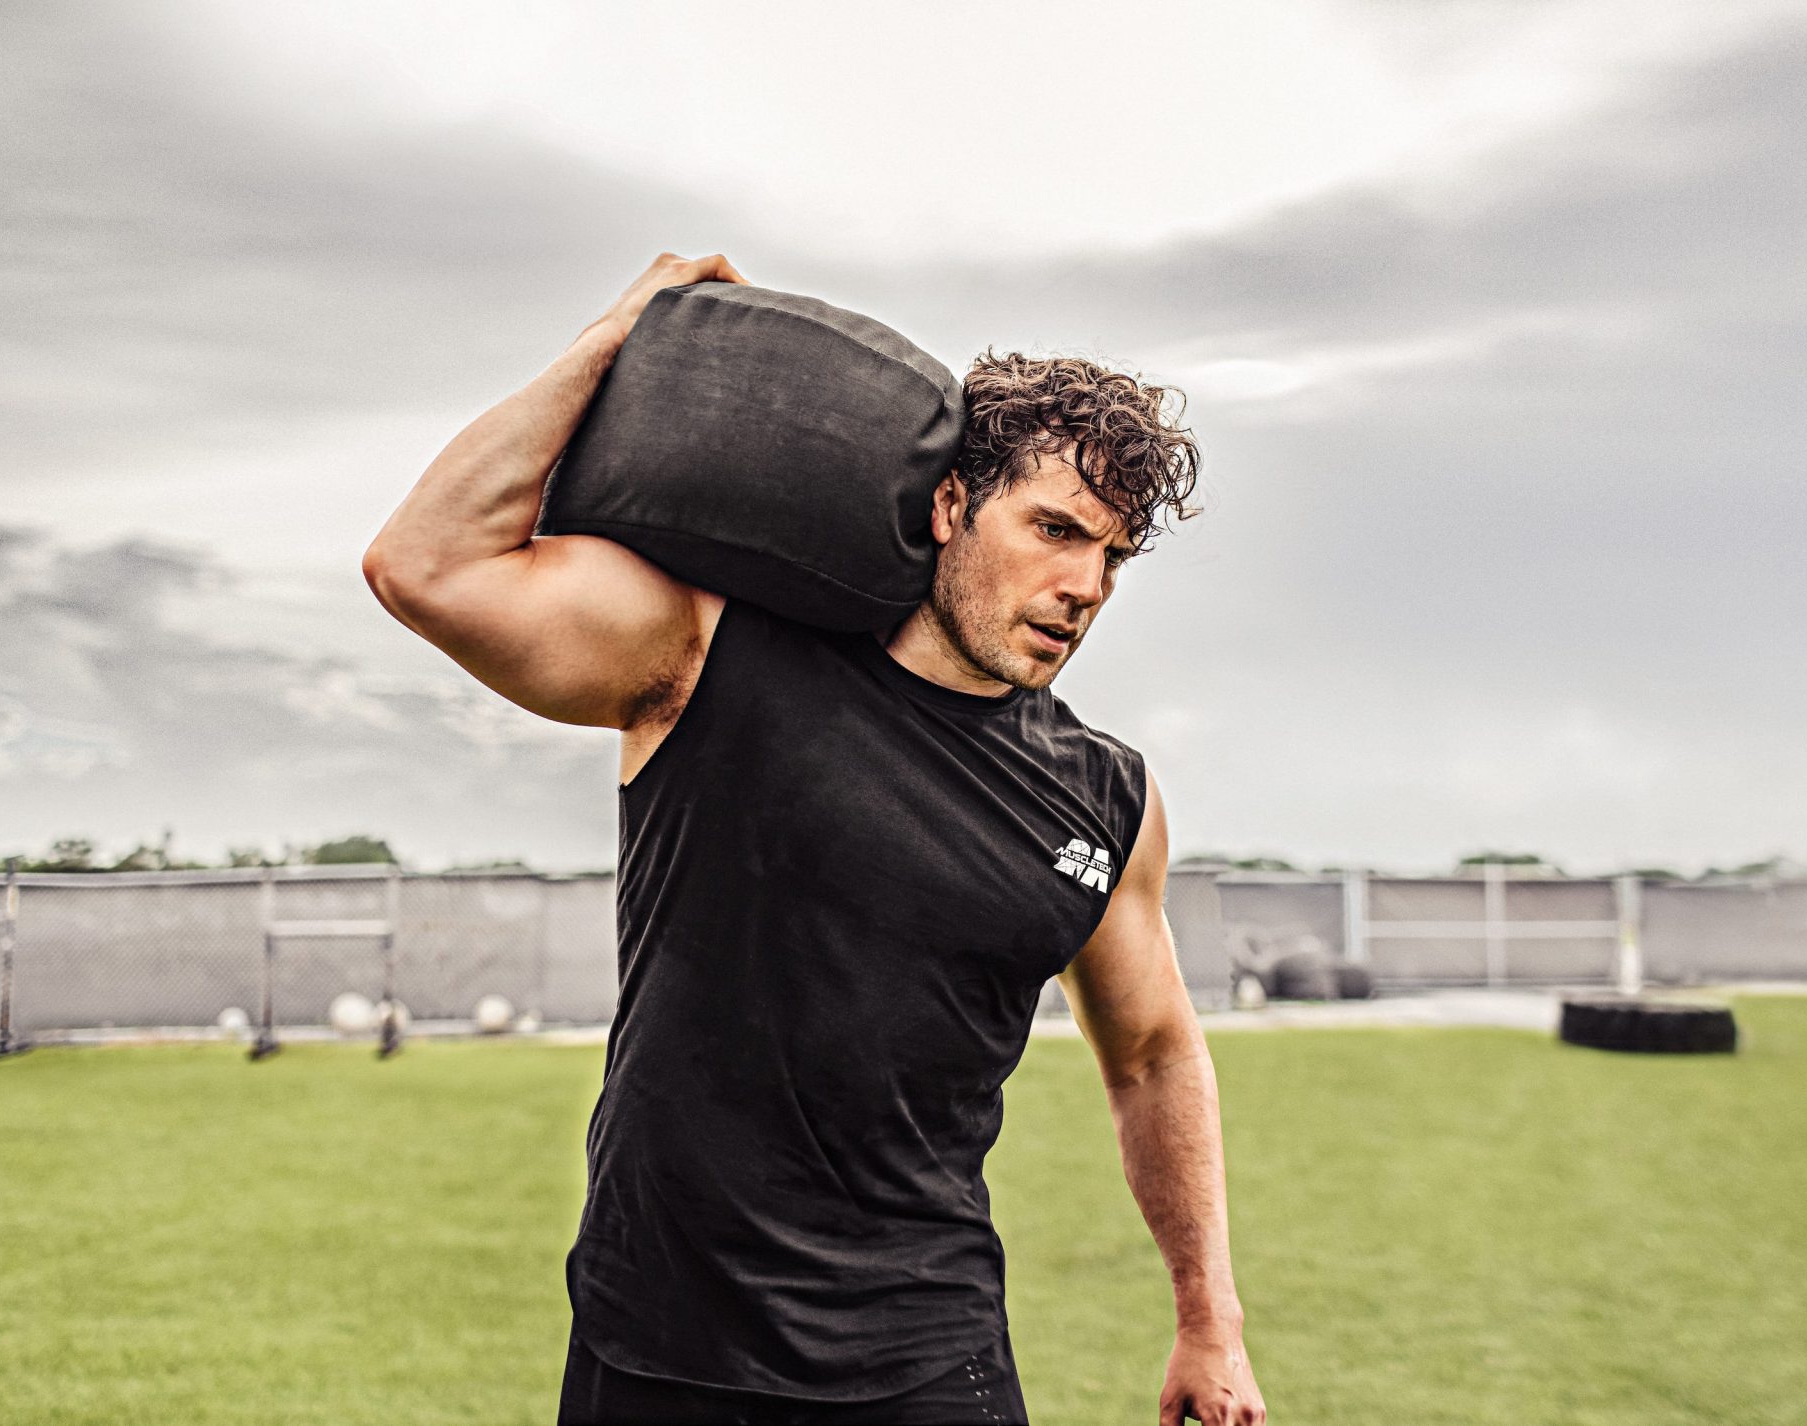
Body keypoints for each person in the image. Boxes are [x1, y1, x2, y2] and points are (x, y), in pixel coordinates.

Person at [362, 252, 1268, 1426]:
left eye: (1112, 555)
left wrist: (1211, 1323)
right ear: (951, 506)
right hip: (662, 1340)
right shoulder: (707, 655)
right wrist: (613, 339)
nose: (1084, 584)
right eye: (1054, 529)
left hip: (926, 1355)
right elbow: (421, 565)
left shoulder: (1105, 801)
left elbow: (1150, 1053)